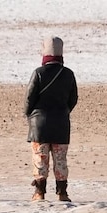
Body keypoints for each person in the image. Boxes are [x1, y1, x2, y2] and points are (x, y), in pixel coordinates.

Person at [24, 36, 79, 202]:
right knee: (60, 160)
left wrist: (30, 115)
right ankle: (62, 193)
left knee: (40, 160)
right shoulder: (68, 74)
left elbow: (29, 99)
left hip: (39, 124)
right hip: (61, 123)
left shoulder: (38, 73)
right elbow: (73, 98)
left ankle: (39, 193)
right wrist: (64, 111)